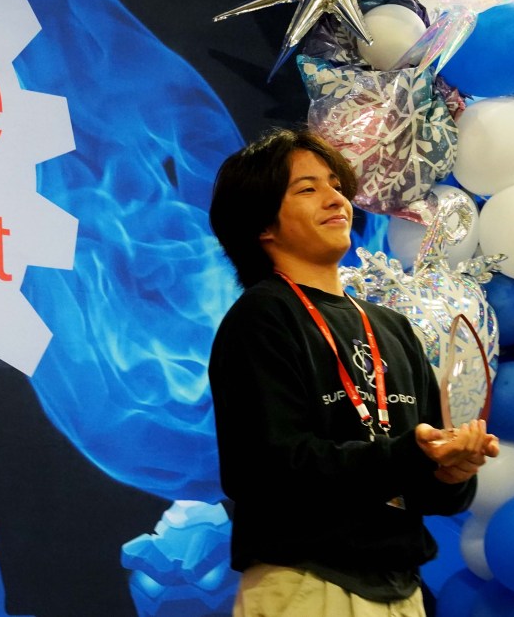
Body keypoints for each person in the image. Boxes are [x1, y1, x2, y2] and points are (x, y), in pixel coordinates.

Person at [207, 128, 498, 617]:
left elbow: (424, 483)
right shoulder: (262, 318)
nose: (335, 198)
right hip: (306, 583)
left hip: (402, 590)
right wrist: (409, 453)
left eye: (337, 185)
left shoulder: (392, 328)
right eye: (307, 188)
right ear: (262, 225)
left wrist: (452, 470)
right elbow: (269, 471)